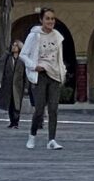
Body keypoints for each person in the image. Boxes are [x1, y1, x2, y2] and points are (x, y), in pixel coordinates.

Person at [19, 9, 68, 150]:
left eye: (52, 19)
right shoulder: (34, 35)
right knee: (39, 108)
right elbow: (23, 54)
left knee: (53, 109)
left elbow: (59, 57)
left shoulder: (58, 37)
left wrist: (62, 72)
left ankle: (51, 140)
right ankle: (32, 136)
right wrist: (34, 66)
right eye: (47, 18)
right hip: (40, 74)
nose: (50, 21)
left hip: (55, 75)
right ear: (41, 20)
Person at [2, 35, 30, 130]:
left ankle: (16, 122)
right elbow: (3, 69)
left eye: (16, 45)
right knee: (10, 104)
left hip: (18, 86)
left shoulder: (22, 60)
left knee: (17, 104)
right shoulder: (8, 58)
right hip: (9, 85)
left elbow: (25, 74)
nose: (14, 47)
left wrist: (26, 86)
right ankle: (11, 121)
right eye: (13, 45)